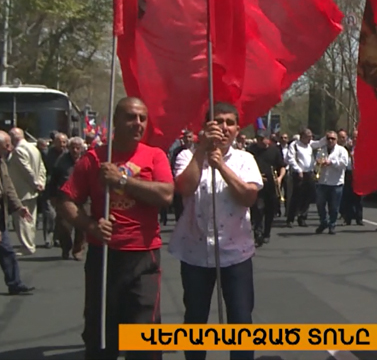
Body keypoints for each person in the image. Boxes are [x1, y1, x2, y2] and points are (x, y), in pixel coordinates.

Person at [56, 97, 174, 360]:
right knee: (101, 335)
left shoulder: (154, 156)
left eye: (142, 118)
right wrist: (90, 226)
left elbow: (166, 195)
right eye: (131, 117)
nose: (138, 123)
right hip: (104, 255)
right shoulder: (94, 158)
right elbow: (65, 201)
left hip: (144, 255)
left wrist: (122, 180)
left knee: (144, 337)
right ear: (115, 121)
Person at [170, 102, 263, 360]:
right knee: (195, 320)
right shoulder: (187, 156)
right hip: (196, 253)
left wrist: (221, 166)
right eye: (218, 121)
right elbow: (184, 188)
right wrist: (202, 151)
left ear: (237, 129)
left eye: (230, 123)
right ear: (206, 125)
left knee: (241, 321)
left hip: (235, 254)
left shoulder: (245, 159)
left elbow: (249, 197)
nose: (224, 127)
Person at [0, 131, 34, 295]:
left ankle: (15, 283)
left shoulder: (2, 162)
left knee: (7, 251)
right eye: (7, 145)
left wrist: (19, 207)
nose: (10, 148)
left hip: (1, 216)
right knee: (6, 250)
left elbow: (8, 187)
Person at [7, 127, 47, 255]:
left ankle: (27, 246)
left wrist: (35, 183)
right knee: (31, 219)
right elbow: (42, 168)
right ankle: (30, 243)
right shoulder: (33, 148)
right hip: (32, 190)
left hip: (22, 190)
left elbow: (26, 170)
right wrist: (41, 182)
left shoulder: (18, 151)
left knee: (22, 220)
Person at [49, 137, 86, 260]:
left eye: (77, 148)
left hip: (83, 197)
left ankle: (78, 250)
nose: (75, 150)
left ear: (82, 148)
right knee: (63, 225)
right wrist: (52, 195)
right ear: (69, 148)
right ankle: (66, 247)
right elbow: (53, 179)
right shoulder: (61, 161)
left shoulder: (87, 159)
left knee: (82, 225)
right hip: (64, 197)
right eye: (72, 147)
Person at [247, 133, 286, 246]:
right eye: (259, 139)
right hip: (257, 185)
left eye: (263, 139)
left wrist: (280, 178)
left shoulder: (275, 150)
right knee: (258, 209)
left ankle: (266, 233)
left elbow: (282, 166)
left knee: (270, 210)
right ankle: (258, 233)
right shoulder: (251, 150)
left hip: (271, 185)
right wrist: (257, 176)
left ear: (268, 139)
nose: (261, 142)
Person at [313, 130, 349, 234]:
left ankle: (332, 224)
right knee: (320, 204)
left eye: (333, 139)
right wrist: (318, 164)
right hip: (323, 182)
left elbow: (344, 164)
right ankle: (323, 222)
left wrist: (331, 162)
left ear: (336, 140)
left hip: (336, 183)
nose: (330, 140)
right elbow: (316, 164)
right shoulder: (321, 150)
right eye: (328, 138)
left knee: (334, 207)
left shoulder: (342, 150)